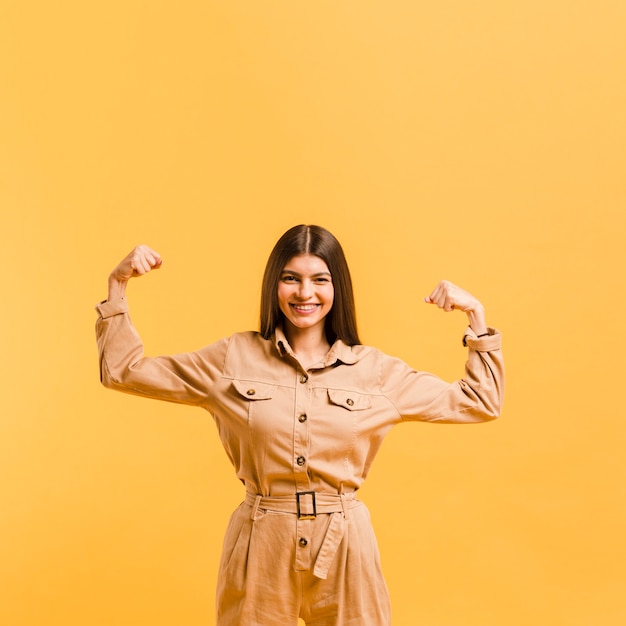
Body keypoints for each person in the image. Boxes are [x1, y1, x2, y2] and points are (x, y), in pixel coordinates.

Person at [95, 224, 504, 626]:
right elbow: (122, 371)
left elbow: (480, 402)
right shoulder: (233, 359)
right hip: (260, 541)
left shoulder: (375, 372)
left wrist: (477, 318)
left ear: (336, 287)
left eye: (319, 280)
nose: (305, 293)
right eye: (291, 279)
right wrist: (118, 286)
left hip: (344, 545)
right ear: (275, 285)